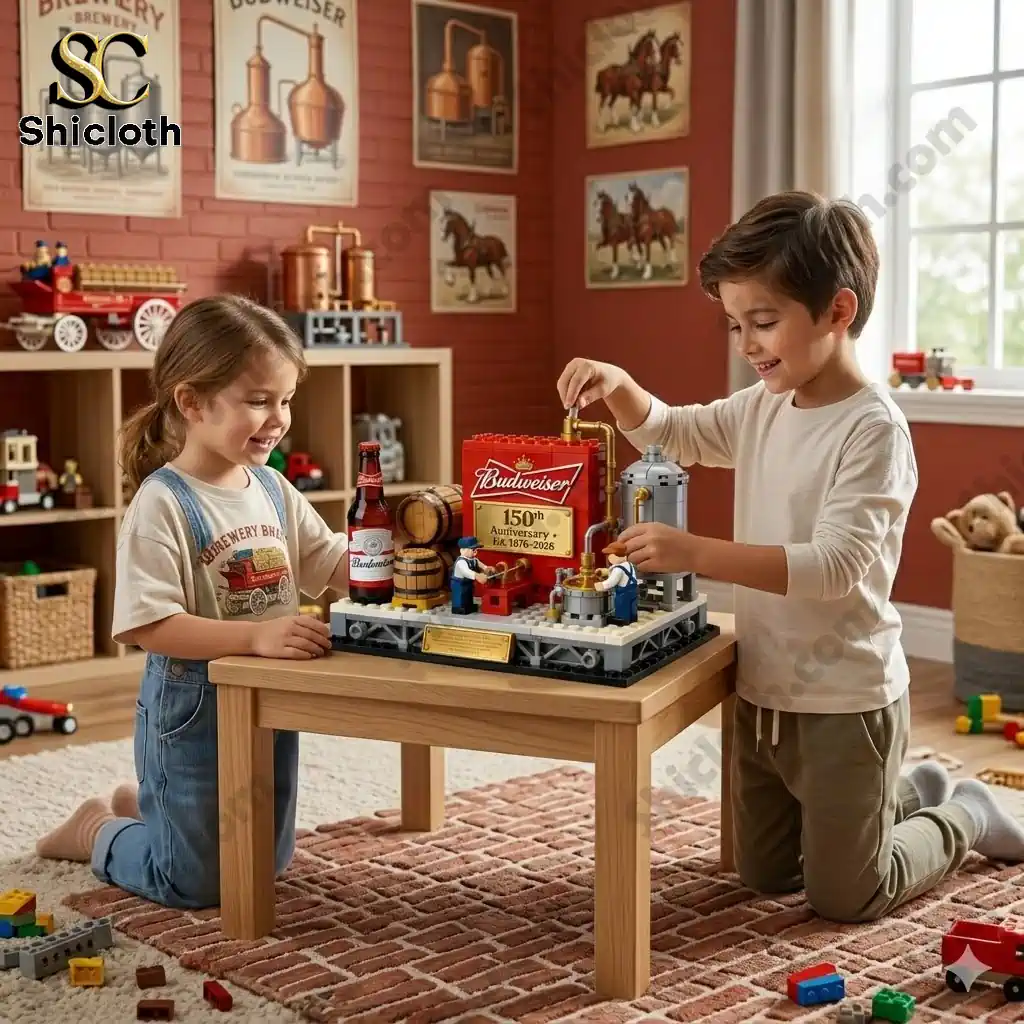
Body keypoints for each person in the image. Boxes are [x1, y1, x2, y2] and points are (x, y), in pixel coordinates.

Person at [557, 189, 1024, 923]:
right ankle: (909, 792)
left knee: (848, 896)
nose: (747, 344)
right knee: (766, 875)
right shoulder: (767, 403)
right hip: (765, 691)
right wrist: (621, 388)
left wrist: (696, 552)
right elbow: (677, 431)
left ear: (838, 312)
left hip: (846, 698)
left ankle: (960, 812)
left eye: (765, 323)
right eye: (736, 324)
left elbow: (834, 566)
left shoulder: (874, 431)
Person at [34, 294, 349, 909]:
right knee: (194, 883)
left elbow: (328, 560)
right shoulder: (164, 501)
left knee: (268, 862)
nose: (278, 418)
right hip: (191, 707)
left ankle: (147, 807)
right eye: (257, 401)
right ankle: (98, 827)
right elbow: (151, 626)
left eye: (285, 399)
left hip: (266, 703)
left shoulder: (272, 487)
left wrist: (387, 558)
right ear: (191, 401)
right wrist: (256, 636)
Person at [595, 544, 639, 625]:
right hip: (633, 589)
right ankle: (633, 619)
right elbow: (616, 572)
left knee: (622, 607)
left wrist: (599, 586)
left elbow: (611, 582)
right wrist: (603, 571)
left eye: (610, 556)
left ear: (615, 556)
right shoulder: (629, 565)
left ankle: (622, 621)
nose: (609, 558)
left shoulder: (618, 569)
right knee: (632, 606)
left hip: (624, 593)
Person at [450, 537, 491, 614]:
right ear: (463, 550)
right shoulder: (461, 562)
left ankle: (469, 606)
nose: (475, 551)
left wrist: (487, 568)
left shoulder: (474, 559)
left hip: (468, 583)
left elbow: (481, 565)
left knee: (468, 595)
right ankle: (458, 608)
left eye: (476, 549)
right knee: (460, 596)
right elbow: (466, 572)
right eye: (473, 549)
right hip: (459, 584)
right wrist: (477, 576)